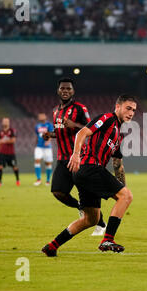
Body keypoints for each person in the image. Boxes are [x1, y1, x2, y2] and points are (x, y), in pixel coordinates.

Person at [41, 94, 137, 256]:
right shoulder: (107, 118)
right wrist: (76, 154)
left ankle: (52, 245)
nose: (131, 112)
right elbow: (82, 133)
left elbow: (117, 165)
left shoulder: (117, 134)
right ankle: (108, 239)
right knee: (126, 196)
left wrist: (123, 189)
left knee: (91, 219)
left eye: (134, 110)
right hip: (89, 167)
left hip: (84, 173)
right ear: (118, 107)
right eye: (128, 108)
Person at [42, 77, 106, 236]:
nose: (65, 91)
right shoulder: (55, 111)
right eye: (63, 88)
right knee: (58, 192)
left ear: (73, 91)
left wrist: (74, 125)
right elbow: (60, 131)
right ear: (58, 90)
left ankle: (101, 224)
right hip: (62, 158)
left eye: (68, 89)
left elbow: (92, 129)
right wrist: (50, 135)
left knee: (87, 196)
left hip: (79, 158)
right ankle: (81, 208)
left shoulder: (80, 108)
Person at [0, 117, 20, 186]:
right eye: (4, 121)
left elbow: (13, 140)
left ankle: (17, 180)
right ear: (2, 122)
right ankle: (0, 182)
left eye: (6, 121)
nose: (5, 122)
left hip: (10, 153)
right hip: (2, 153)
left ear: (9, 122)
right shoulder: (0, 132)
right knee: (0, 167)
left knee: (15, 167)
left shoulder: (12, 131)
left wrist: (4, 141)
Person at [34, 113, 54, 186]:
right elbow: (37, 135)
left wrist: (48, 141)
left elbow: (51, 134)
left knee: (48, 163)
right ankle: (38, 179)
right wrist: (35, 144)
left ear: (45, 116)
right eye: (39, 116)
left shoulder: (49, 125)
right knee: (37, 160)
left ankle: (48, 180)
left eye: (42, 115)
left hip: (47, 148)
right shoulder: (37, 126)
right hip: (39, 146)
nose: (40, 116)